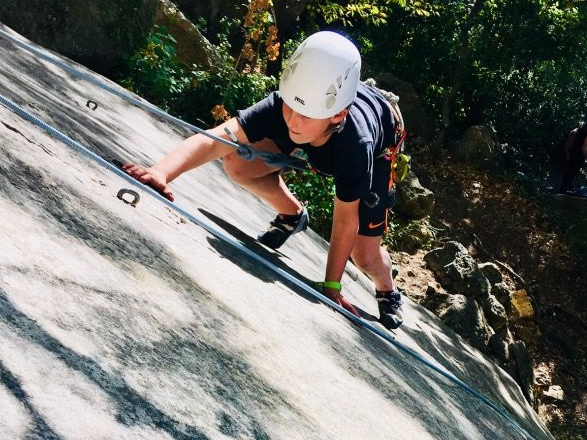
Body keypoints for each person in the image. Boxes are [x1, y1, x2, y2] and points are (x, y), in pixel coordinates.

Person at [122, 31, 407, 329]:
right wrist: (161, 172)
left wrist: (331, 287)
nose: (293, 121)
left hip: (379, 145)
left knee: (364, 256)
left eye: (304, 116)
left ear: (337, 116)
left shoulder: (355, 146)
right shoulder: (288, 106)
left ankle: (387, 289)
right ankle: (292, 214)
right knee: (237, 162)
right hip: (329, 119)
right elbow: (217, 139)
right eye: (290, 108)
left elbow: (346, 220)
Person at [559, 115, 587, 192]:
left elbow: (568, 143)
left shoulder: (577, 130)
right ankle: (567, 190)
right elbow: (584, 148)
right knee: (571, 174)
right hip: (578, 157)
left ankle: (564, 189)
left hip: (571, 154)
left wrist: (567, 154)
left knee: (567, 173)